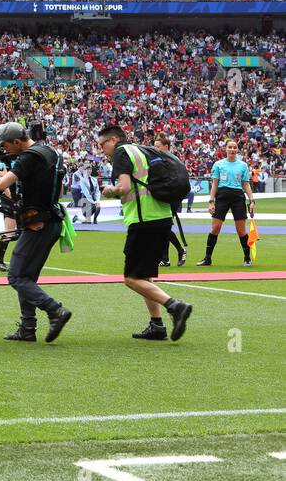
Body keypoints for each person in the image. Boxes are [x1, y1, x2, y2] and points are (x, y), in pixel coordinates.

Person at [98, 125, 194, 342]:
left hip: (143, 221)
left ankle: (175, 306)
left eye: (102, 145)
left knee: (131, 279)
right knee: (145, 277)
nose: (102, 150)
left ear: (113, 140)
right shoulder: (142, 150)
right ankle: (156, 325)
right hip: (162, 217)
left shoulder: (122, 153)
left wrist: (108, 191)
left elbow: (123, 188)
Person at [0, 122, 73, 343]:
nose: (5, 149)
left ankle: (55, 311)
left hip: (39, 223)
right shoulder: (49, 151)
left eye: (6, 145)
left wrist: (1, 176)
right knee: (27, 278)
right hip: (51, 220)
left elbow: (1, 185)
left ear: (17, 142)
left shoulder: (29, 157)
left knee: (16, 276)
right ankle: (28, 328)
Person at [199, 140, 255, 267]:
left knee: (241, 230)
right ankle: (207, 258)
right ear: (226, 149)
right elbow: (214, 184)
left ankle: (247, 258)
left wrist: (252, 201)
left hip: (238, 198)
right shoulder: (218, 164)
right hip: (222, 197)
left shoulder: (243, 166)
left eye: (234, 147)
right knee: (215, 228)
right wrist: (211, 201)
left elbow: (246, 184)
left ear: (237, 150)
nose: (232, 149)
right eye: (230, 147)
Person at [153, 133, 188, 267]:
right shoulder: (172, 159)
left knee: (163, 227)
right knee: (163, 226)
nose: (154, 148)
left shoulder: (166, 160)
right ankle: (165, 258)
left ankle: (180, 250)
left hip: (169, 196)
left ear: (165, 146)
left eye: (157, 146)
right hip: (170, 196)